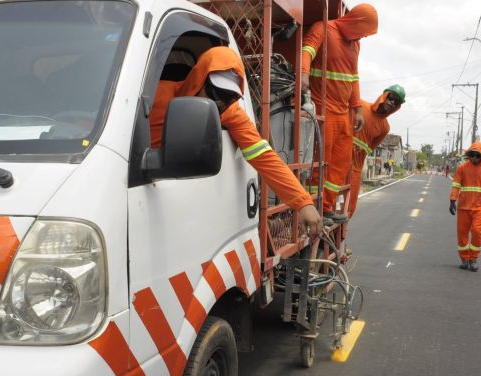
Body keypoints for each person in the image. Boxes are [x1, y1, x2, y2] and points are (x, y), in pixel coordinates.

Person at [150, 46, 323, 239]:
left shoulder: (230, 114)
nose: (220, 103)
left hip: (183, 205)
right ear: (197, 79)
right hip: (146, 188)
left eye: (229, 97)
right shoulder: (153, 97)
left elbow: (264, 156)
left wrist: (303, 202)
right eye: (215, 92)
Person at [300, 3, 378, 224]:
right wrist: (304, 73)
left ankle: (326, 207)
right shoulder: (323, 28)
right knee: (319, 161)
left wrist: (357, 108)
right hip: (323, 109)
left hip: (344, 114)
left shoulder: (355, 45)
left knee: (340, 164)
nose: (364, 37)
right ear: (356, 22)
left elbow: (353, 76)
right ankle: (314, 208)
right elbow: (307, 50)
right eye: (364, 31)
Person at [350, 85, 405, 218]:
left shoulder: (385, 127)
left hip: (356, 168)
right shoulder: (359, 106)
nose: (392, 103)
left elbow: (371, 147)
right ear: (384, 95)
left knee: (349, 207)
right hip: (338, 160)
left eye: (396, 102)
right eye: (391, 97)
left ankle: (340, 235)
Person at [449, 142, 481, 271]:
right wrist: (452, 201)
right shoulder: (462, 168)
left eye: (477, 155)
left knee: (477, 232)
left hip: (479, 208)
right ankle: (464, 259)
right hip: (463, 207)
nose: (474, 158)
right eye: (472, 155)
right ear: (469, 155)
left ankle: (473, 259)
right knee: (462, 234)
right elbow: (456, 185)